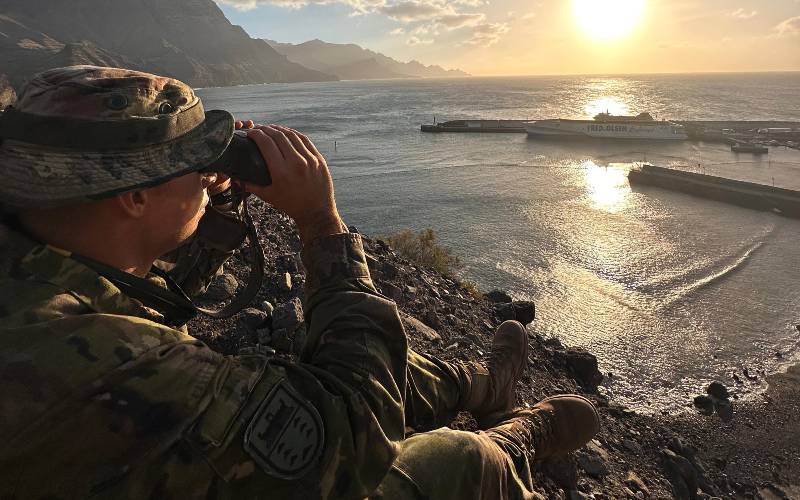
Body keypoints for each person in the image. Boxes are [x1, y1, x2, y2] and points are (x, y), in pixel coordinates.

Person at [0, 66, 600, 500]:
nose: (210, 176)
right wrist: (320, 222)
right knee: (460, 457)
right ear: (132, 197)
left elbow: (150, 282)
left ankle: (479, 384)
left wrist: (214, 196)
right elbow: (350, 439)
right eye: (195, 165)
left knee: (316, 354)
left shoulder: (40, 248)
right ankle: (518, 445)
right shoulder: (102, 356)